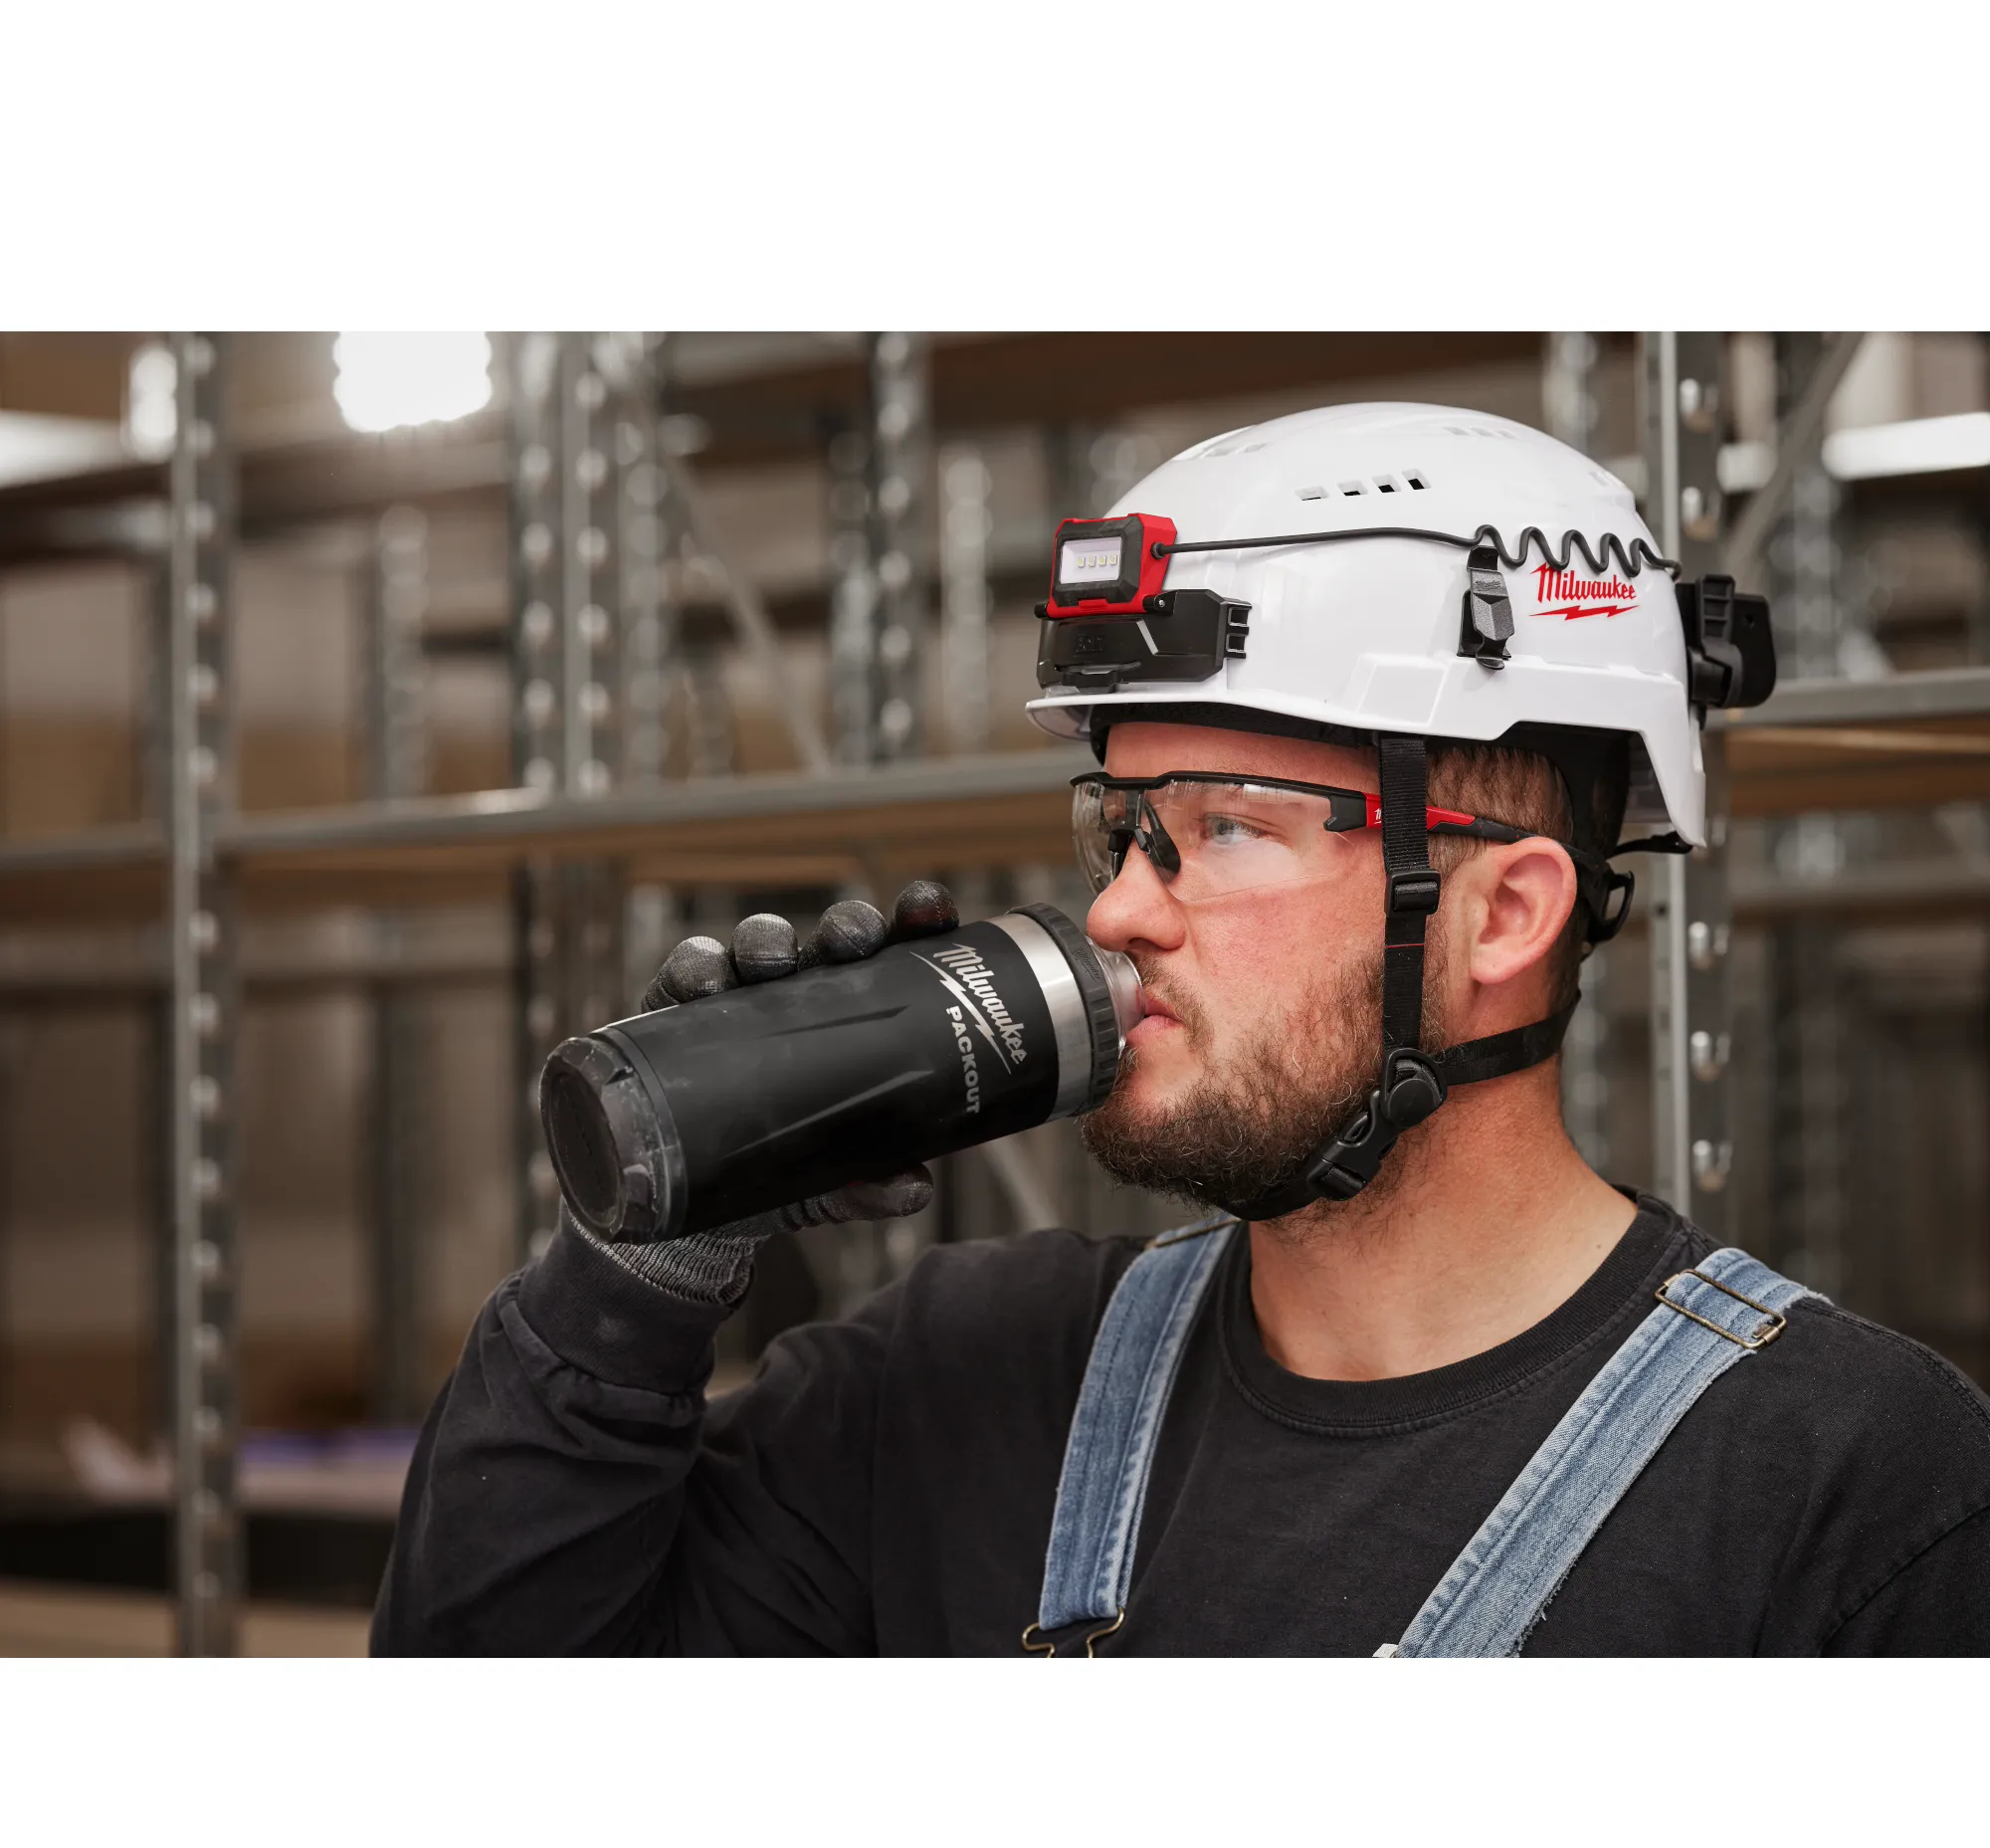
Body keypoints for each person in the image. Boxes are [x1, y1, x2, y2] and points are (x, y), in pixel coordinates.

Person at [374, 402, 1990, 1656]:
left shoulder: (1845, 1487)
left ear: (1504, 915)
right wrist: (633, 1292)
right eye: (1123, 828)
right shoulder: (960, 1388)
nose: (1126, 914)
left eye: (1226, 827)